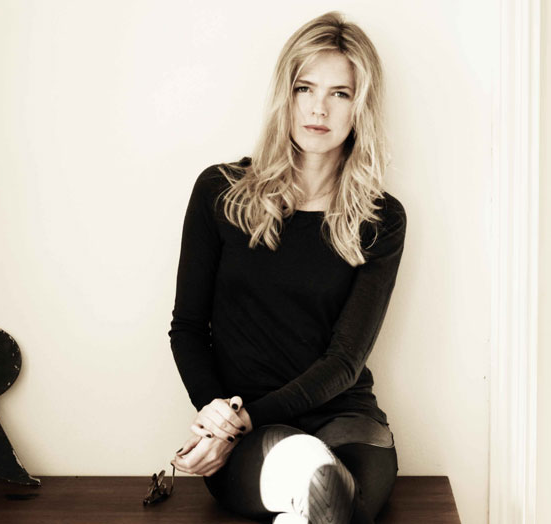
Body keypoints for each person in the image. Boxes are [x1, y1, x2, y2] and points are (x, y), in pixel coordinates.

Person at [167, 11, 407, 524]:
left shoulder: (380, 219)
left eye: (340, 93)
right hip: (251, 430)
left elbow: (345, 361)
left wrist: (240, 419)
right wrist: (218, 415)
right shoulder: (221, 193)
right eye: (305, 88)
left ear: (360, 107)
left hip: (344, 417)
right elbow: (187, 327)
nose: (319, 108)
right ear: (286, 95)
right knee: (318, 487)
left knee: (339, 500)